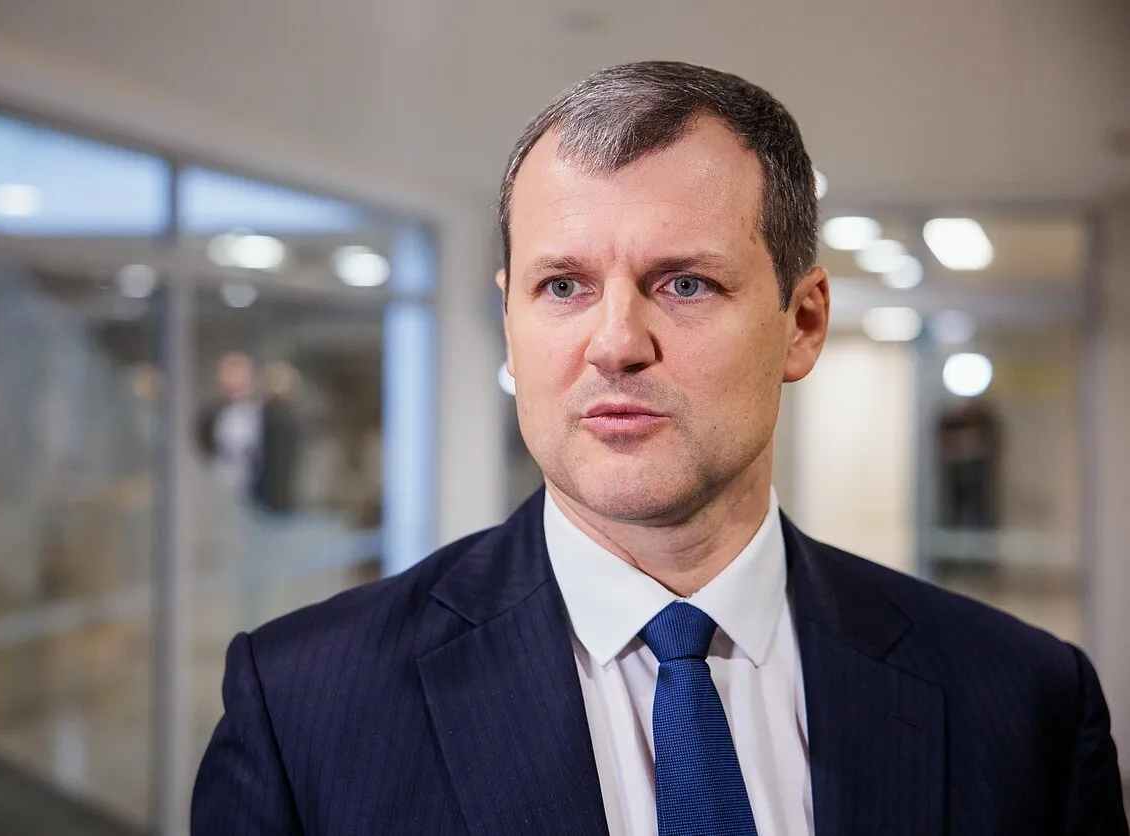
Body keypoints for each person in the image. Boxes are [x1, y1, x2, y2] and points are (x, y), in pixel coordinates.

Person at [192, 62, 1127, 835]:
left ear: (802, 323)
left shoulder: (1023, 704)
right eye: (563, 287)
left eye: (683, 283)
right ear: (510, 323)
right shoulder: (303, 709)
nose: (614, 344)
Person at [195, 352, 301, 515]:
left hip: (261, 492)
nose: (234, 380)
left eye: (239, 373)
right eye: (230, 374)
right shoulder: (212, 413)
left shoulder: (264, 411)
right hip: (223, 484)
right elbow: (205, 443)